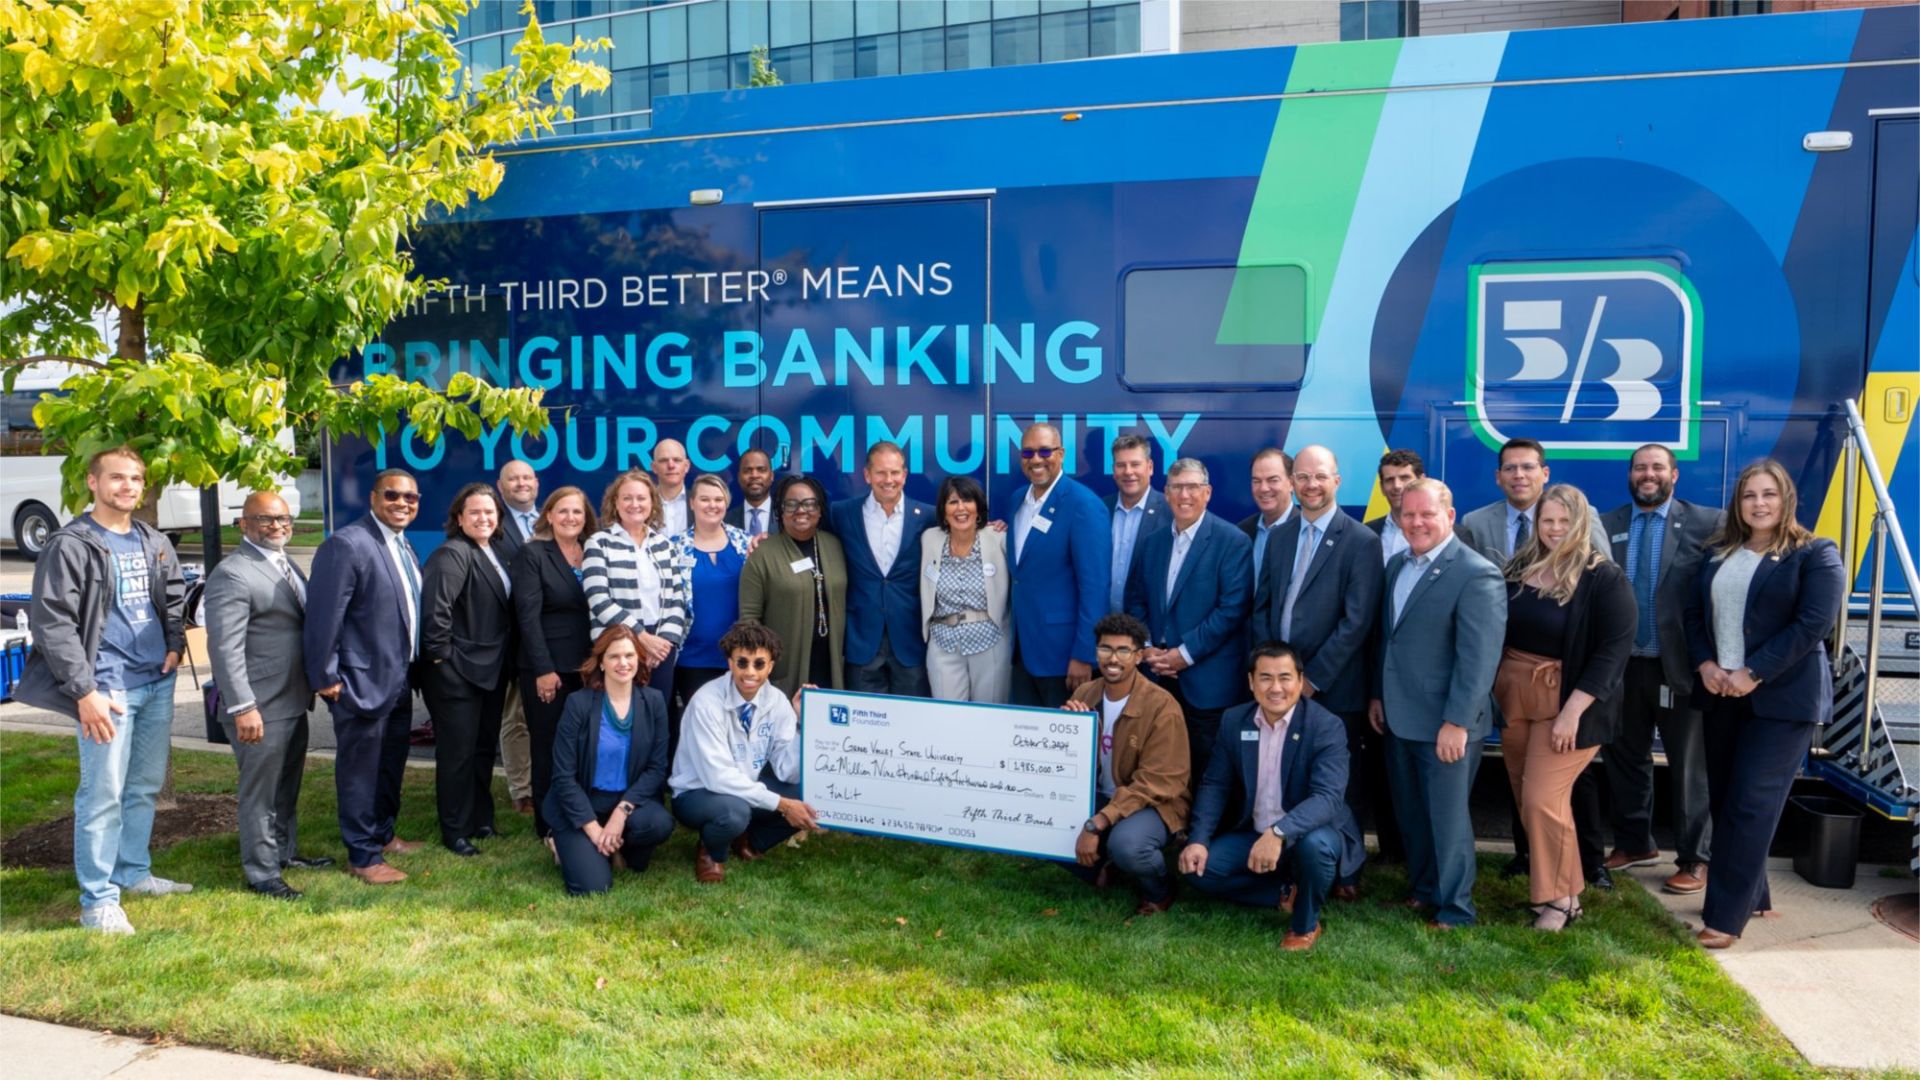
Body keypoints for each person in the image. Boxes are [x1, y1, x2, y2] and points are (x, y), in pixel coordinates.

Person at [15, 446, 189, 932]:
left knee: (143, 788)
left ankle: (134, 873)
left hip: (155, 682)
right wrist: (84, 691)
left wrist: (174, 646)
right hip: (106, 690)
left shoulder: (153, 539)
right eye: (117, 478)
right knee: (102, 795)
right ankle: (98, 901)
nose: (128, 486)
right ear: (93, 483)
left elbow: (173, 596)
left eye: (135, 478)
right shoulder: (70, 544)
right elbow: (53, 625)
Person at [1683, 460, 1844, 949]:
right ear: (1738, 503)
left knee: (1751, 805)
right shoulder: (1719, 553)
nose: (1759, 503)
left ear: (1786, 498)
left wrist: (1754, 672)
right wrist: (1707, 665)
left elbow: (1812, 624)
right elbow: (1693, 616)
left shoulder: (1814, 553)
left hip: (1780, 699)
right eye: (1750, 495)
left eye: (1768, 494)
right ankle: (1754, 895)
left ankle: (1725, 919)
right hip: (1721, 694)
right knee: (1727, 801)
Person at [1456, 437, 1610, 885]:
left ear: (1544, 473)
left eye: (1528, 467)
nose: (1519, 475)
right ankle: (1528, 858)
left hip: (1563, 680)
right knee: (1519, 774)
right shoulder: (1476, 522)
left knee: (1564, 781)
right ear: (1499, 476)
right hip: (1511, 678)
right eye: (1510, 468)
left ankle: (1590, 864)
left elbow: (1599, 594)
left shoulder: (1585, 528)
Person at [1495, 484, 1635, 930]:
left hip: (1568, 701)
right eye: (1546, 520)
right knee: (1528, 798)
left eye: (1563, 521)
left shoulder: (1602, 577)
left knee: (1542, 798)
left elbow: (1613, 652)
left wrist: (1573, 712)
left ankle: (1556, 901)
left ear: (1580, 523)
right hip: (1515, 694)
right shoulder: (1519, 568)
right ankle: (1568, 893)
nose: (1554, 530)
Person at [1368, 478, 1505, 929]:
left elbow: (1478, 658)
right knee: (1413, 815)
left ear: (1449, 516)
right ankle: (1424, 889)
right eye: (1408, 515)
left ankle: (1456, 908)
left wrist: (1457, 722)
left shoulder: (1475, 572)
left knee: (1448, 823)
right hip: (1400, 715)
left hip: (1446, 723)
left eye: (1427, 514)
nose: (1417, 522)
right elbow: (1389, 639)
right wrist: (1377, 695)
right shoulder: (1396, 567)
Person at [1250, 446, 1392, 876]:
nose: (1312, 485)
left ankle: (1346, 868)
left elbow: (1356, 622)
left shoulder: (1361, 541)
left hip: (1332, 688)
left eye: (1321, 477)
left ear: (1337, 481)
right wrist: (1266, 673)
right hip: (1278, 685)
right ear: (1293, 482)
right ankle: (1293, 854)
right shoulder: (1280, 535)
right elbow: (1263, 607)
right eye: (1304, 477)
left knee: (1338, 784)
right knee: (1286, 774)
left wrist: (1310, 680)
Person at [1180, 644, 1366, 952]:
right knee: (1201, 871)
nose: (1276, 688)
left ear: (1300, 681)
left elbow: (1328, 798)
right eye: (1266, 678)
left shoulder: (1325, 725)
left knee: (1314, 847)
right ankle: (1283, 893)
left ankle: (1305, 925)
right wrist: (1198, 838)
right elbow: (1215, 784)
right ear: (1251, 682)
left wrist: (1279, 833)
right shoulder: (1234, 721)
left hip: (1311, 832)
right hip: (1255, 832)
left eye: (1285, 677)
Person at [1600, 443, 1721, 895]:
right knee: (1624, 758)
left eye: (1656, 467)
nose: (1647, 475)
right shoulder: (1608, 524)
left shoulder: (1708, 523)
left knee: (1689, 767)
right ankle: (1635, 843)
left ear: (1674, 475)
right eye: (1639, 468)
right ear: (1629, 475)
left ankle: (1695, 859)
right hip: (1622, 667)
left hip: (1680, 668)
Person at [305, 468, 426, 885]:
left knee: (390, 764)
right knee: (360, 770)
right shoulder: (347, 544)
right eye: (393, 495)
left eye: (411, 498)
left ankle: (383, 835)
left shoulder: (403, 546)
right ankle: (362, 855)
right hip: (358, 682)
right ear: (374, 498)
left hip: (397, 680)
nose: (402, 503)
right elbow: (324, 617)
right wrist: (326, 677)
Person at [204, 492, 326, 900]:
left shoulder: (282, 561)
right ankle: (262, 874)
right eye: (265, 519)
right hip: (259, 706)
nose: (277, 526)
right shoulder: (233, 573)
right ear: (243, 524)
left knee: (286, 786)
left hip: (291, 699)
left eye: (283, 519)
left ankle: (284, 853)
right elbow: (224, 648)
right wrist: (243, 706)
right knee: (260, 794)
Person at [1124, 458, 1252, 785]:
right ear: (1166, 493)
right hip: (1157, 675)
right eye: (1177, 487)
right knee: (1160, 761)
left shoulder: (1231, 541)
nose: (1185, 495)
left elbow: (1232, 609)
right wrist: (1149, 648)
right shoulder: (1153, 543)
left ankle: (1202, 834)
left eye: (1193, 487)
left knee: (1207, 768)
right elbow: (1136, 598)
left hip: (1207, 682)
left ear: (1207, 493)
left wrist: (1185, 653)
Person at [669, 620, 823, 883]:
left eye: (759, 664)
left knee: (813, 794)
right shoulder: (706, 702)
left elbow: (788, 771)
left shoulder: (776, 701)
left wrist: (802, 724)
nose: (750, 672)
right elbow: (717, 777)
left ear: (771, 665)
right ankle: (711, 851)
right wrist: (784, 805)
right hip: (697, 792)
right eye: (742, 663)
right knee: (734, 813)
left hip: (743, 788)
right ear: (730, 662)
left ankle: (750, 841)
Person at [1061, 614, 1189, 916]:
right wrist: (1068, 729)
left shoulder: (1161, 706)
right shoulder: (1085, 693)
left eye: (1123, 651)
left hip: (1154, 803)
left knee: (1128, 845)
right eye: (1105, 649)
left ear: (1139, 656)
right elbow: (1066, 766)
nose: (1113, 659)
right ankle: (1103, 867)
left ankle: (1160, 889)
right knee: (1044, 820)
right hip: (1103, 796)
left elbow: (1156, 783)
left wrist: (1098, 822)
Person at [420, 483, 517, 856]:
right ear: (459, 518)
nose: (483, 518)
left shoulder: (494, 550)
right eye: (474, 512)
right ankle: (455, 830)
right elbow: (436, 616)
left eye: (489, 512)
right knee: (457, 754)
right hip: (457, 673)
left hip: (490, 672)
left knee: (481, 750)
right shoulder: (452, 554)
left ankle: (481, 819)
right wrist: (444, 663)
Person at [544, 625, 675, 895]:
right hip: (582, 803)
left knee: (659, 824)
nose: (623, 663)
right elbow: (563, 777)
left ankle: (613, 845)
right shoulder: (578, 704)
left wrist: (621, 812)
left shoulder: (654, 702)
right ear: (601, 663)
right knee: (593, 887)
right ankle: (563, 842)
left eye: (629, 655)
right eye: (614, 656)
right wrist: (594, 830)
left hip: (627, 802)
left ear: (639, 660)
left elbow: (656, 768)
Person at [510, 486, 597, 844]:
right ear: (549, 515)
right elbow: (527, 618)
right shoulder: (533, 554)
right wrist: (544, 670)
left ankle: (580, 813)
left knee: (583, 743)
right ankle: (547, 823)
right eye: (563, 511)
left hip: (588, 667)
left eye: (577, 512)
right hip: (549, 668)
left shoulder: (592, 551)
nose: (570, 518)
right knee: (547, 744)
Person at [1005, 422, 1110, 707]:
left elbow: (1095, 587)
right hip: (1023, 651)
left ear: (1061, 454)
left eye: (1044, 451)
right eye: (1028, 453)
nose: (1036, 460)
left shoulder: (1083, 505)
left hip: (1063, 658)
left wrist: (1084, 653)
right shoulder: (1017, 500)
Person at [830, 442, 933, 697]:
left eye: (895, 472)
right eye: (881, 473)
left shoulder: (929, 516)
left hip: (910, 640)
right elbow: (808, 539)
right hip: (861, 640)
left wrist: (993, 527)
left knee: (911, 724)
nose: (889, 480)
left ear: (905, 475)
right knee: (864, 727)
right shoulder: (841, 514)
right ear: (867, 475)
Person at [584, 469, 689, 719]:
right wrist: (641, 638)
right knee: (620, 717)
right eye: (627, 498)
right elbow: (598, 599)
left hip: (661, 648)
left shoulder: (664, 545)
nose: (635, 504)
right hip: (617, 644)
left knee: (656, 717)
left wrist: (664, 643)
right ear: (615, 503)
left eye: (641, 498)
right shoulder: (599, 542)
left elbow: (677, 598)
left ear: (652, 503)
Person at [741, 474, 847, 696]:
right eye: (791, 504)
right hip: (785, 668)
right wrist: (758, 667)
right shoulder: (763, 554)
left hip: (832, 665)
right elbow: (749, 618)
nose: (801, 510)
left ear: (820, 509)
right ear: (780, 511)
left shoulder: (835, 545)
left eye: (809, 503)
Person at [919, 475, 1012, 703]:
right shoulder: (929, 539)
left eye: (967, 500)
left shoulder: (998, 538)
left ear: (978, 507)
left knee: (989, 717)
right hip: (943, 644)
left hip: (990, 641)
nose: (961, 508)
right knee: (947, 718)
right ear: (943, 510)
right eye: (953, 502)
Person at [672, 474, 753, 726]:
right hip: (692, 658)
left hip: (739, 656)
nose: (712, 505)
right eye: (704, 499)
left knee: (736, 728)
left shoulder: (745, 543)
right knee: (701, 727)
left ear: (726, 504)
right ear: (692, 503)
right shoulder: (674, 547)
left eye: (718, 499)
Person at [493, 459, 541, 813]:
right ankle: (521, 790)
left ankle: (543, 780)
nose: (521, 484)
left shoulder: (547, 522)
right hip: (511, 636)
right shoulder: (494, 525)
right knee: (516, 717)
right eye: (514, 479)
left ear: (536, 484)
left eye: (527, 478)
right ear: (501, 485)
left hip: (547, 636)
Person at [1103, 433, 1170, 613]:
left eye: (1135, 464)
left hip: (1148, 632)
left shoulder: (1170, 511)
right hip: (1102, 627)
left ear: (1150, 467)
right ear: (1113, 470)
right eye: (1121, 465)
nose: (1128, 472)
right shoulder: (1099, 509)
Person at [1239, 448, 1294, 587]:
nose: (1263, 488)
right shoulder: (1241, 532)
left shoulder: (1306, 533)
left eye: (1273, 480)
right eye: (1256, 481)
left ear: (1291, 483)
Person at [1369, 449, 1424, 564]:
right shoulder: (1366, 532)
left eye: (1404, 478)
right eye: (1389, 480)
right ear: (1382, 488)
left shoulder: (1451, 533)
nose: (1397, 486)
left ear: (1422, 481)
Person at [724, 448, 775, 538]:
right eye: (747, 470)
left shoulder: (785, 516)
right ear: (739, 477)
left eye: (761, 470)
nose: (754, 475)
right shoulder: (726, 520)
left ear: (771, 476)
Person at [652, 437, 692, 536]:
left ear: (686, 466)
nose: (671, 465)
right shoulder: (642, 504)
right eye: (663, 460)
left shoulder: (699, 502)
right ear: (654, 467)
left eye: (677, 460)